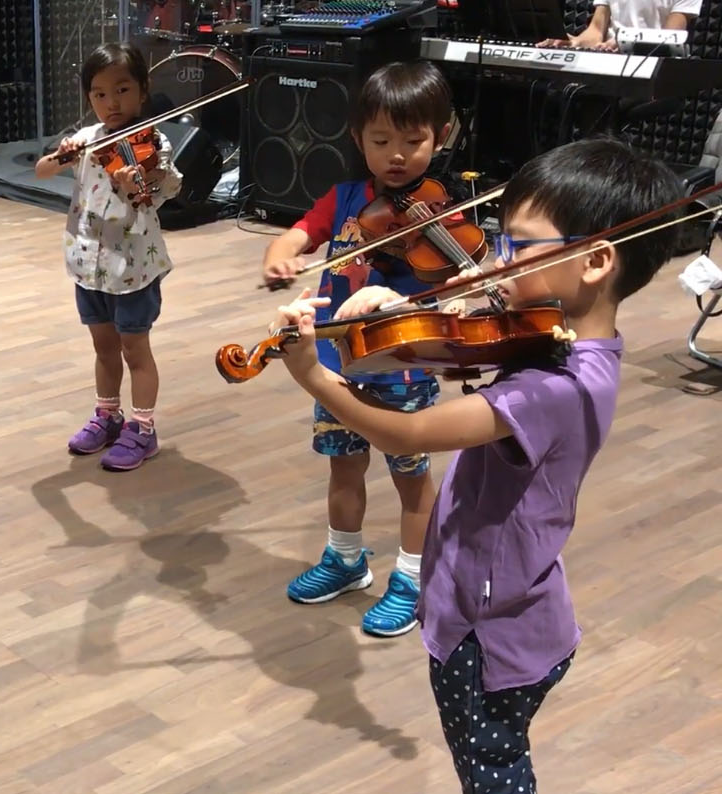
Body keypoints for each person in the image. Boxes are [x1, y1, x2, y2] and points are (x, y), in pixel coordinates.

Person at [269, 138, 684, 793]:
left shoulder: (558, 389)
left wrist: (313, 375)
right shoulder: (563, 333)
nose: (498, 262)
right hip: (507, 600)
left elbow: (408, 428)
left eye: (521, 246)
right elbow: (463, 329)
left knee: (490, 772)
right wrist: (394, 306)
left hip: (491, 636)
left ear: (597, 260)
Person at [260, 61, 455, 636]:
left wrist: (388, 292)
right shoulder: (345, 197)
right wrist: (282, 250)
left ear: (440, 138)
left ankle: (414, 578)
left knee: (410, 476)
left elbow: (455, 284)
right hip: (336, 365)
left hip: (400, 368)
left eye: (413, 141)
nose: (397, 154)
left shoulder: (442, 212)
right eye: (381, 140)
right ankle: (345, 560)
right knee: (343, 467)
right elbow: (301, 231)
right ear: (357, 139)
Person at [34, 42, 183, 471]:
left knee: (135, 348)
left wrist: (134, 180)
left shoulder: (155, 144)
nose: (111, 103)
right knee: (103, 348)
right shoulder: (87, 139)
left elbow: (158, 193)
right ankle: (107, 416)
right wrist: (64, 153)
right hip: (88, 265)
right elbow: (42, 170)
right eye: (99, 94)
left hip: (132, 267)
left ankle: (144, 428)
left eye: (121, 90)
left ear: (142, 90)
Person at [539, 0, 700, 51]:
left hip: (649, 66)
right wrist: (575, 43)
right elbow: (596, 30)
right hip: (607, 57)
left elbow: (669, 39)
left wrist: (626, 42)